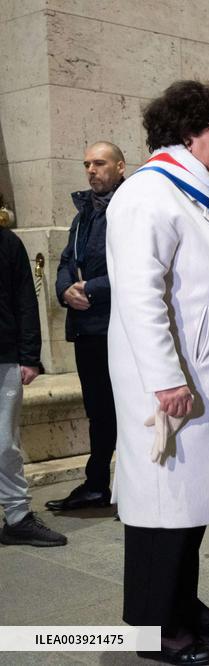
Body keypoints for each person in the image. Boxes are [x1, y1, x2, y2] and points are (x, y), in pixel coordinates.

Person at [106, 80, 209, 665]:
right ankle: (157, 630)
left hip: (204, 380)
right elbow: (139, 298)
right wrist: (167, 379)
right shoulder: (149, 196)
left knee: (186, 509)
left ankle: (183, 604)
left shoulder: (196, 193)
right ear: (188, 131)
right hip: (173, 386)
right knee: (161, 509)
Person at [47, 141, 125, 512]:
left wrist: (89, 289)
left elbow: (137, 268)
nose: (91, 170)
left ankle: (130, 485)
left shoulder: (129, 210)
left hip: (118, 327)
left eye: (100, 163)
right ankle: (97, 485)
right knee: (98, 409)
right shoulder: (82, 216)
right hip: (87, 328)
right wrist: (65, 289)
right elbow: (65, 261)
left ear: (120, 167)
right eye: (87, 164)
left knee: (123, 408)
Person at [0, 225, 68, 548]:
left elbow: (26, 302)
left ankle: (17, 518)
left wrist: (30, 357)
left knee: (4, 444)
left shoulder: (8, 243)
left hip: (4, 359)